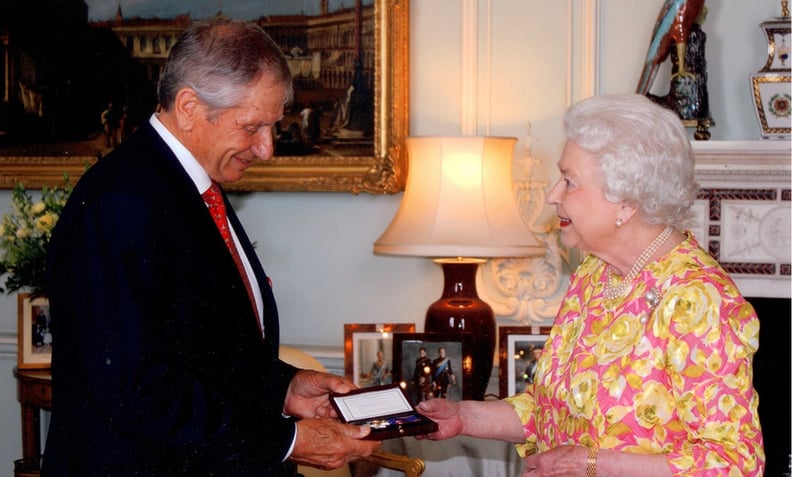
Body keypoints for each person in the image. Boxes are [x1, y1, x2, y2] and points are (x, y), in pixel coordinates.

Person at [43, 19, 378, 476]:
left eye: (272, 127)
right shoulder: (120, 203)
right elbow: (136, 391)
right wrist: (288, 439)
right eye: (252, 127)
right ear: (188, 108)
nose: (267, 149)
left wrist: (285, 387)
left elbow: (202, 351)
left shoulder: (191, 186)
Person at [416, 94, 764, 476]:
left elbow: (735, 465)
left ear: (626, 203)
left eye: (569, 181)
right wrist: (463, 416)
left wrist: (594, 465)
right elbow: (552, 410)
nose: (552, 195)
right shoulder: (595, 274)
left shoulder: (699, 300)